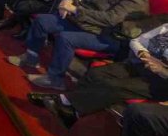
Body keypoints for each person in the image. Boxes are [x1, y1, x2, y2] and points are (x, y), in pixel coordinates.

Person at [8, 0, 149, 90]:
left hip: (108, 35)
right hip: (86, 22)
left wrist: (76, 10)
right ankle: (31, 57)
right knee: (43, 21)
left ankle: (55, 79)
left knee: (66, 38)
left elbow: (110, 19)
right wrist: (69, 0)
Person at [27, 21, 168, 130]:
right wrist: (144, 54)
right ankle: (71, 111)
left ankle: (63, 101)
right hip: (141, 64)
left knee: (114, 86)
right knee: (96, 73)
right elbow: (136, 41)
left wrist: (163, 70)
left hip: (161, 81)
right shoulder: (165, 27)